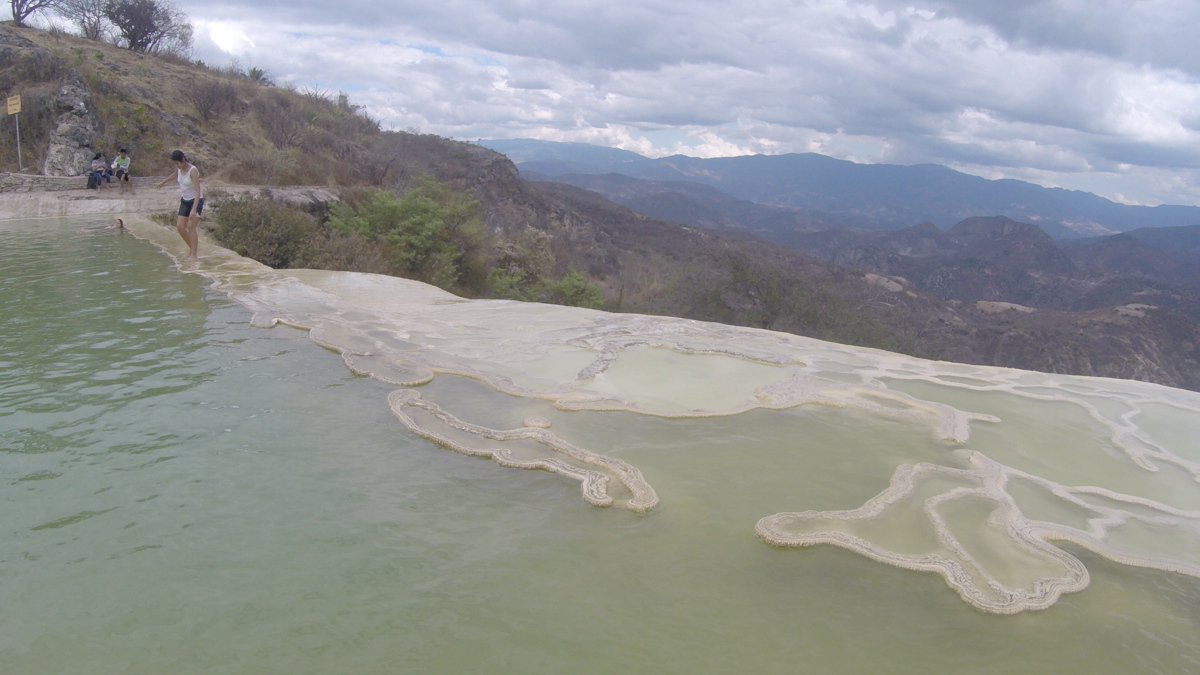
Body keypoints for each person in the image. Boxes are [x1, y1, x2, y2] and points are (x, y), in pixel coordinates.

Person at [155, 150, 203, 262]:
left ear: (183, 159)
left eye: (178, 163)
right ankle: (191, 250)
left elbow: (197, 191)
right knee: (180, 227)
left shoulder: (193, 170)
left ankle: (194, 255)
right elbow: (175, 174)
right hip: (185, 200)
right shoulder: (179, 168)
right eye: (175, 164)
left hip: (195, 200)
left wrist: (194, 210)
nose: (177, 166)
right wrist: (163, 182)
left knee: (191, 227)